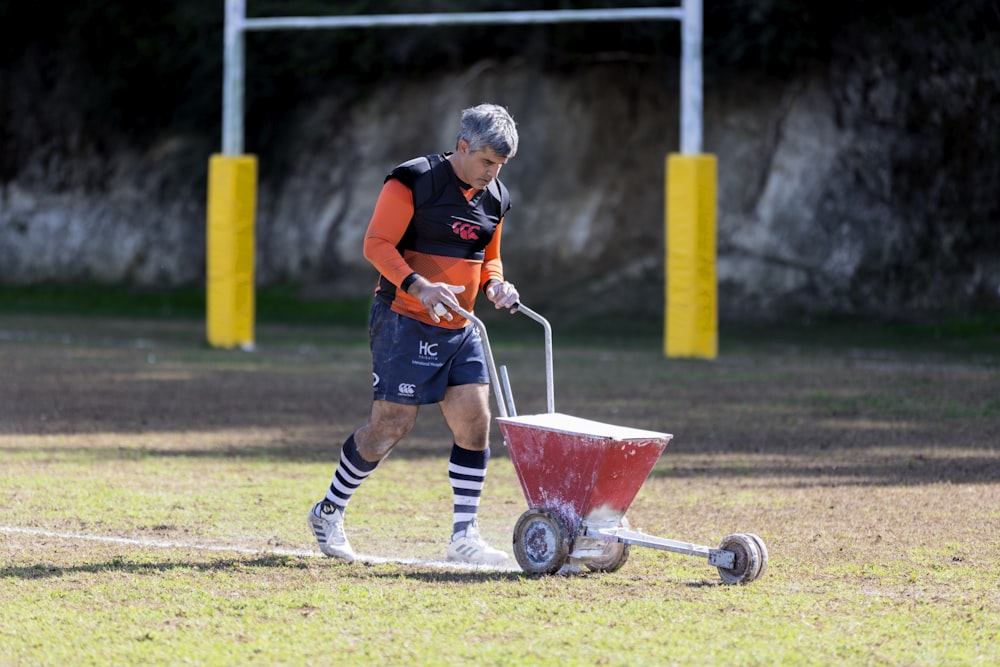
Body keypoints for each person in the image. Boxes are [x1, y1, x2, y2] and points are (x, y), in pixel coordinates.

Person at [307, 103, 521, 565]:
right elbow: (376, 244)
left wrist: (496, 285)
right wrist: (419, 286)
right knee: (391, 425)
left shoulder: (497, 197)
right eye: (486, 161)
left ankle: (464, 537)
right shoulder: (413, 179)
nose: (492, 172)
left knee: (475, 421)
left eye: (500, 165)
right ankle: (328, 511)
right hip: (403, 319)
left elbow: (488, 258)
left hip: (461, 326)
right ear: (462, 147)